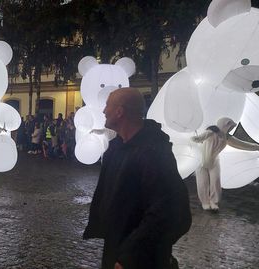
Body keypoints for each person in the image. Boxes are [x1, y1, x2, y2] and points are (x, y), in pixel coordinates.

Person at [83, 88, 192, 269]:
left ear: (120, 112)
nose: (103, 111)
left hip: (142, 258)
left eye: (107, 106)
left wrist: (131, 255)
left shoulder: (154, 152)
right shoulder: (115, 148)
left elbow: (169, 212)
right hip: (116, 246)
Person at [191, 117, 259, 211]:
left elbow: (242, 145)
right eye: (229, 127)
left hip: (214, 161)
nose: (230, 129)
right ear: (224, 125)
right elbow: (199, 138)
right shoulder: (210, 132)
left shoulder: (227, 138)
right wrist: (194, 137)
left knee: (215, 181)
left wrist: (256, 147)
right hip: (201, 161)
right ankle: (205, 202)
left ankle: (214, 202)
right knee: (202, 182)